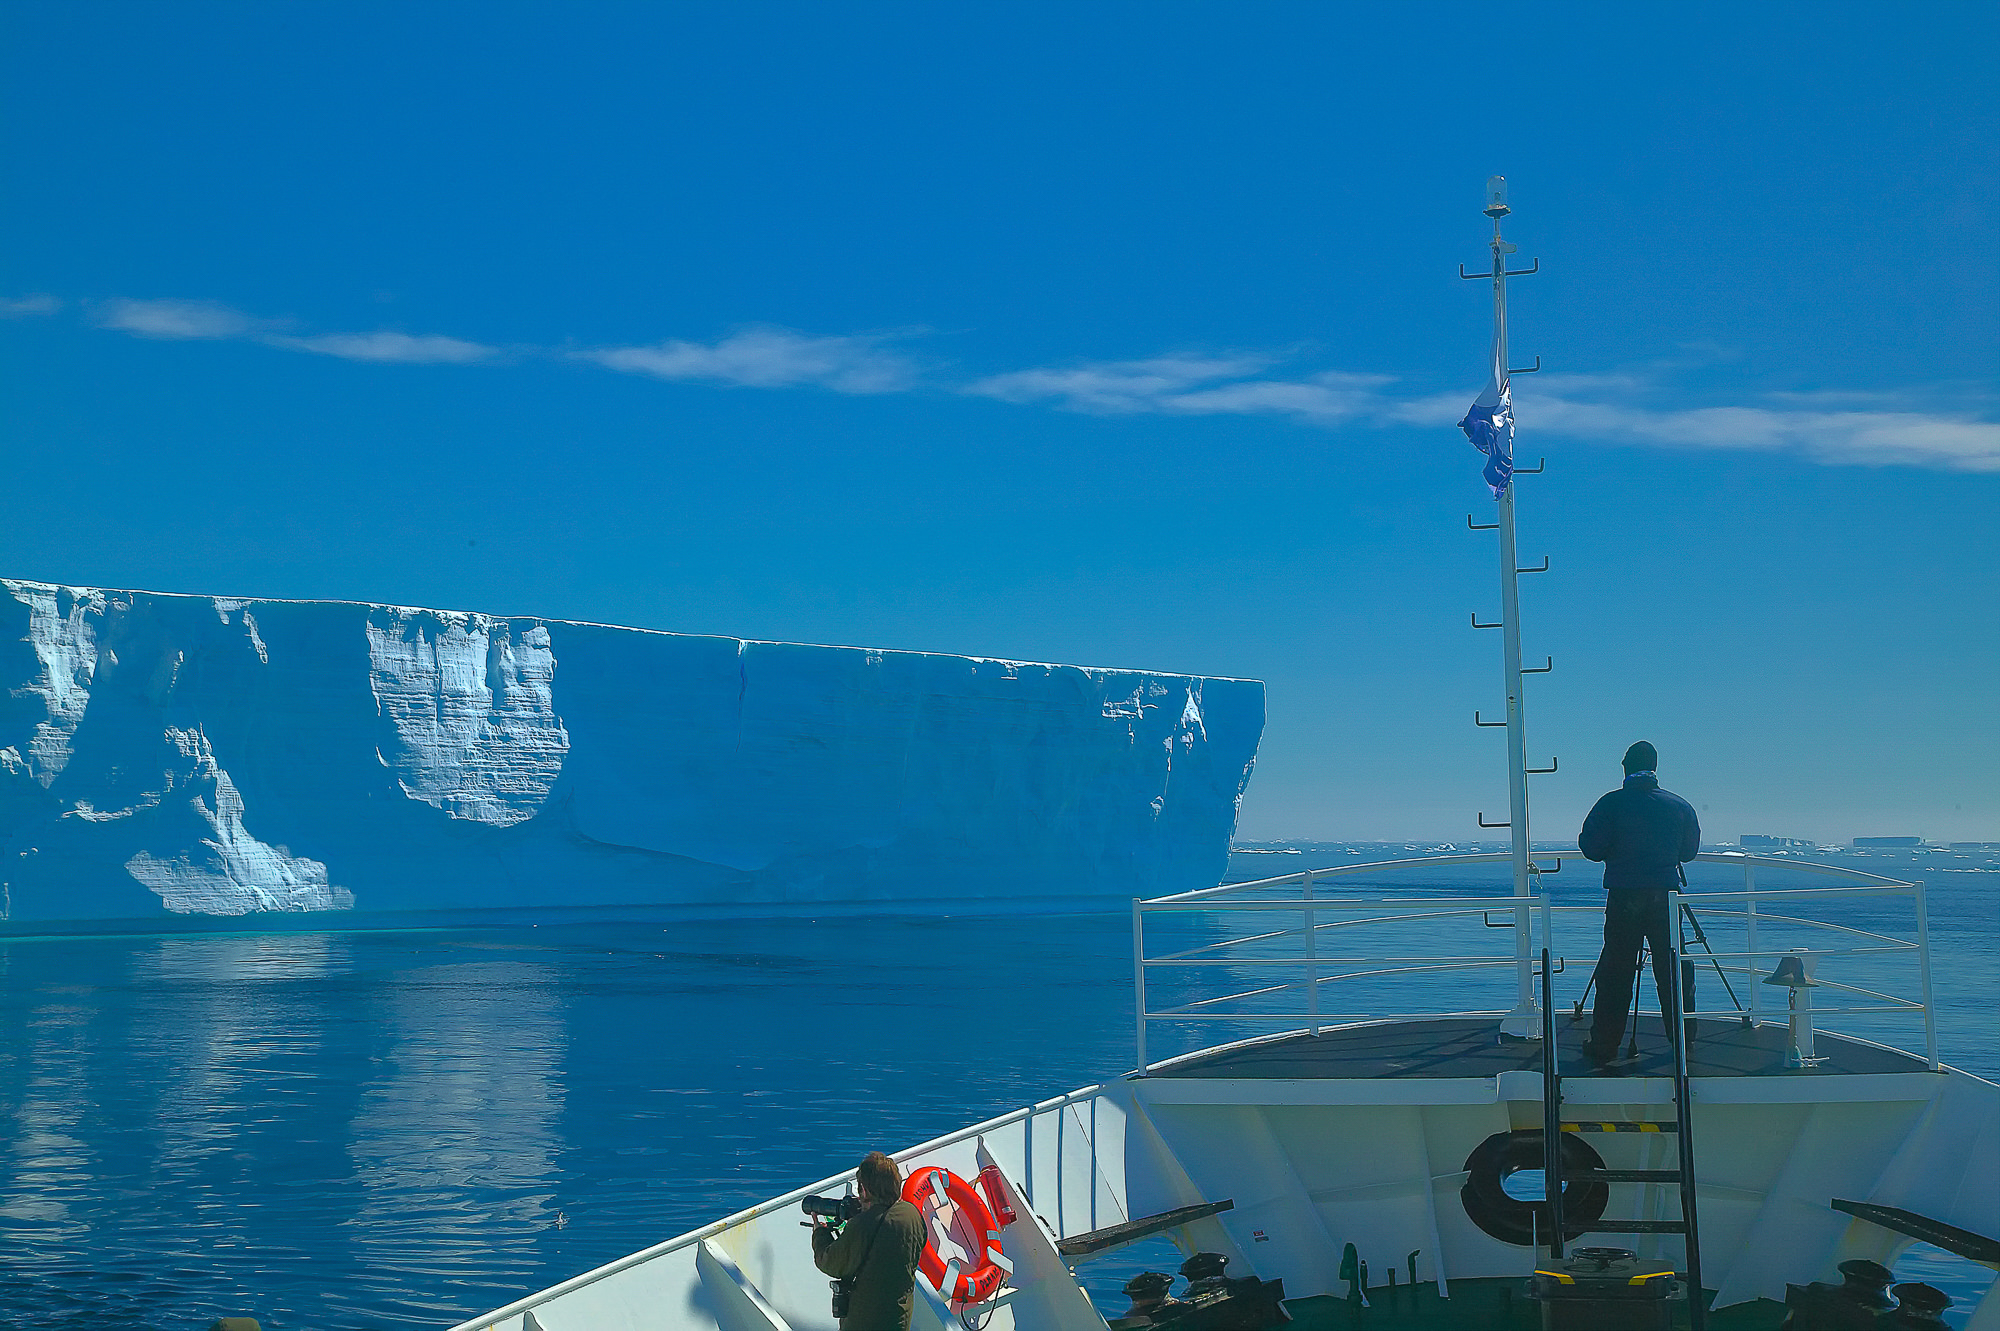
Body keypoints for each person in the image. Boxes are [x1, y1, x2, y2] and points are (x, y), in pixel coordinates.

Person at [1578, 741, 1700, 1064]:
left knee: (1616, 973)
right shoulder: (1680, 807)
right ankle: (1683, 1043)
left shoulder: (1610, 805)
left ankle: (1604, 1045)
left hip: (1624, 899)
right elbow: (1689, 851)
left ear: (1625, 767)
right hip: (1666, 900)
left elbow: (1589, 847)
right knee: (1674, 971)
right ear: (1655, 768)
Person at [811, 1151, 926, 1331]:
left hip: (866, 1322)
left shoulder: (863, 1225)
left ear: (864, 1189)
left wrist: (820, 1234)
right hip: (899, 1319)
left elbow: (830, 1263)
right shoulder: (912, 1214)